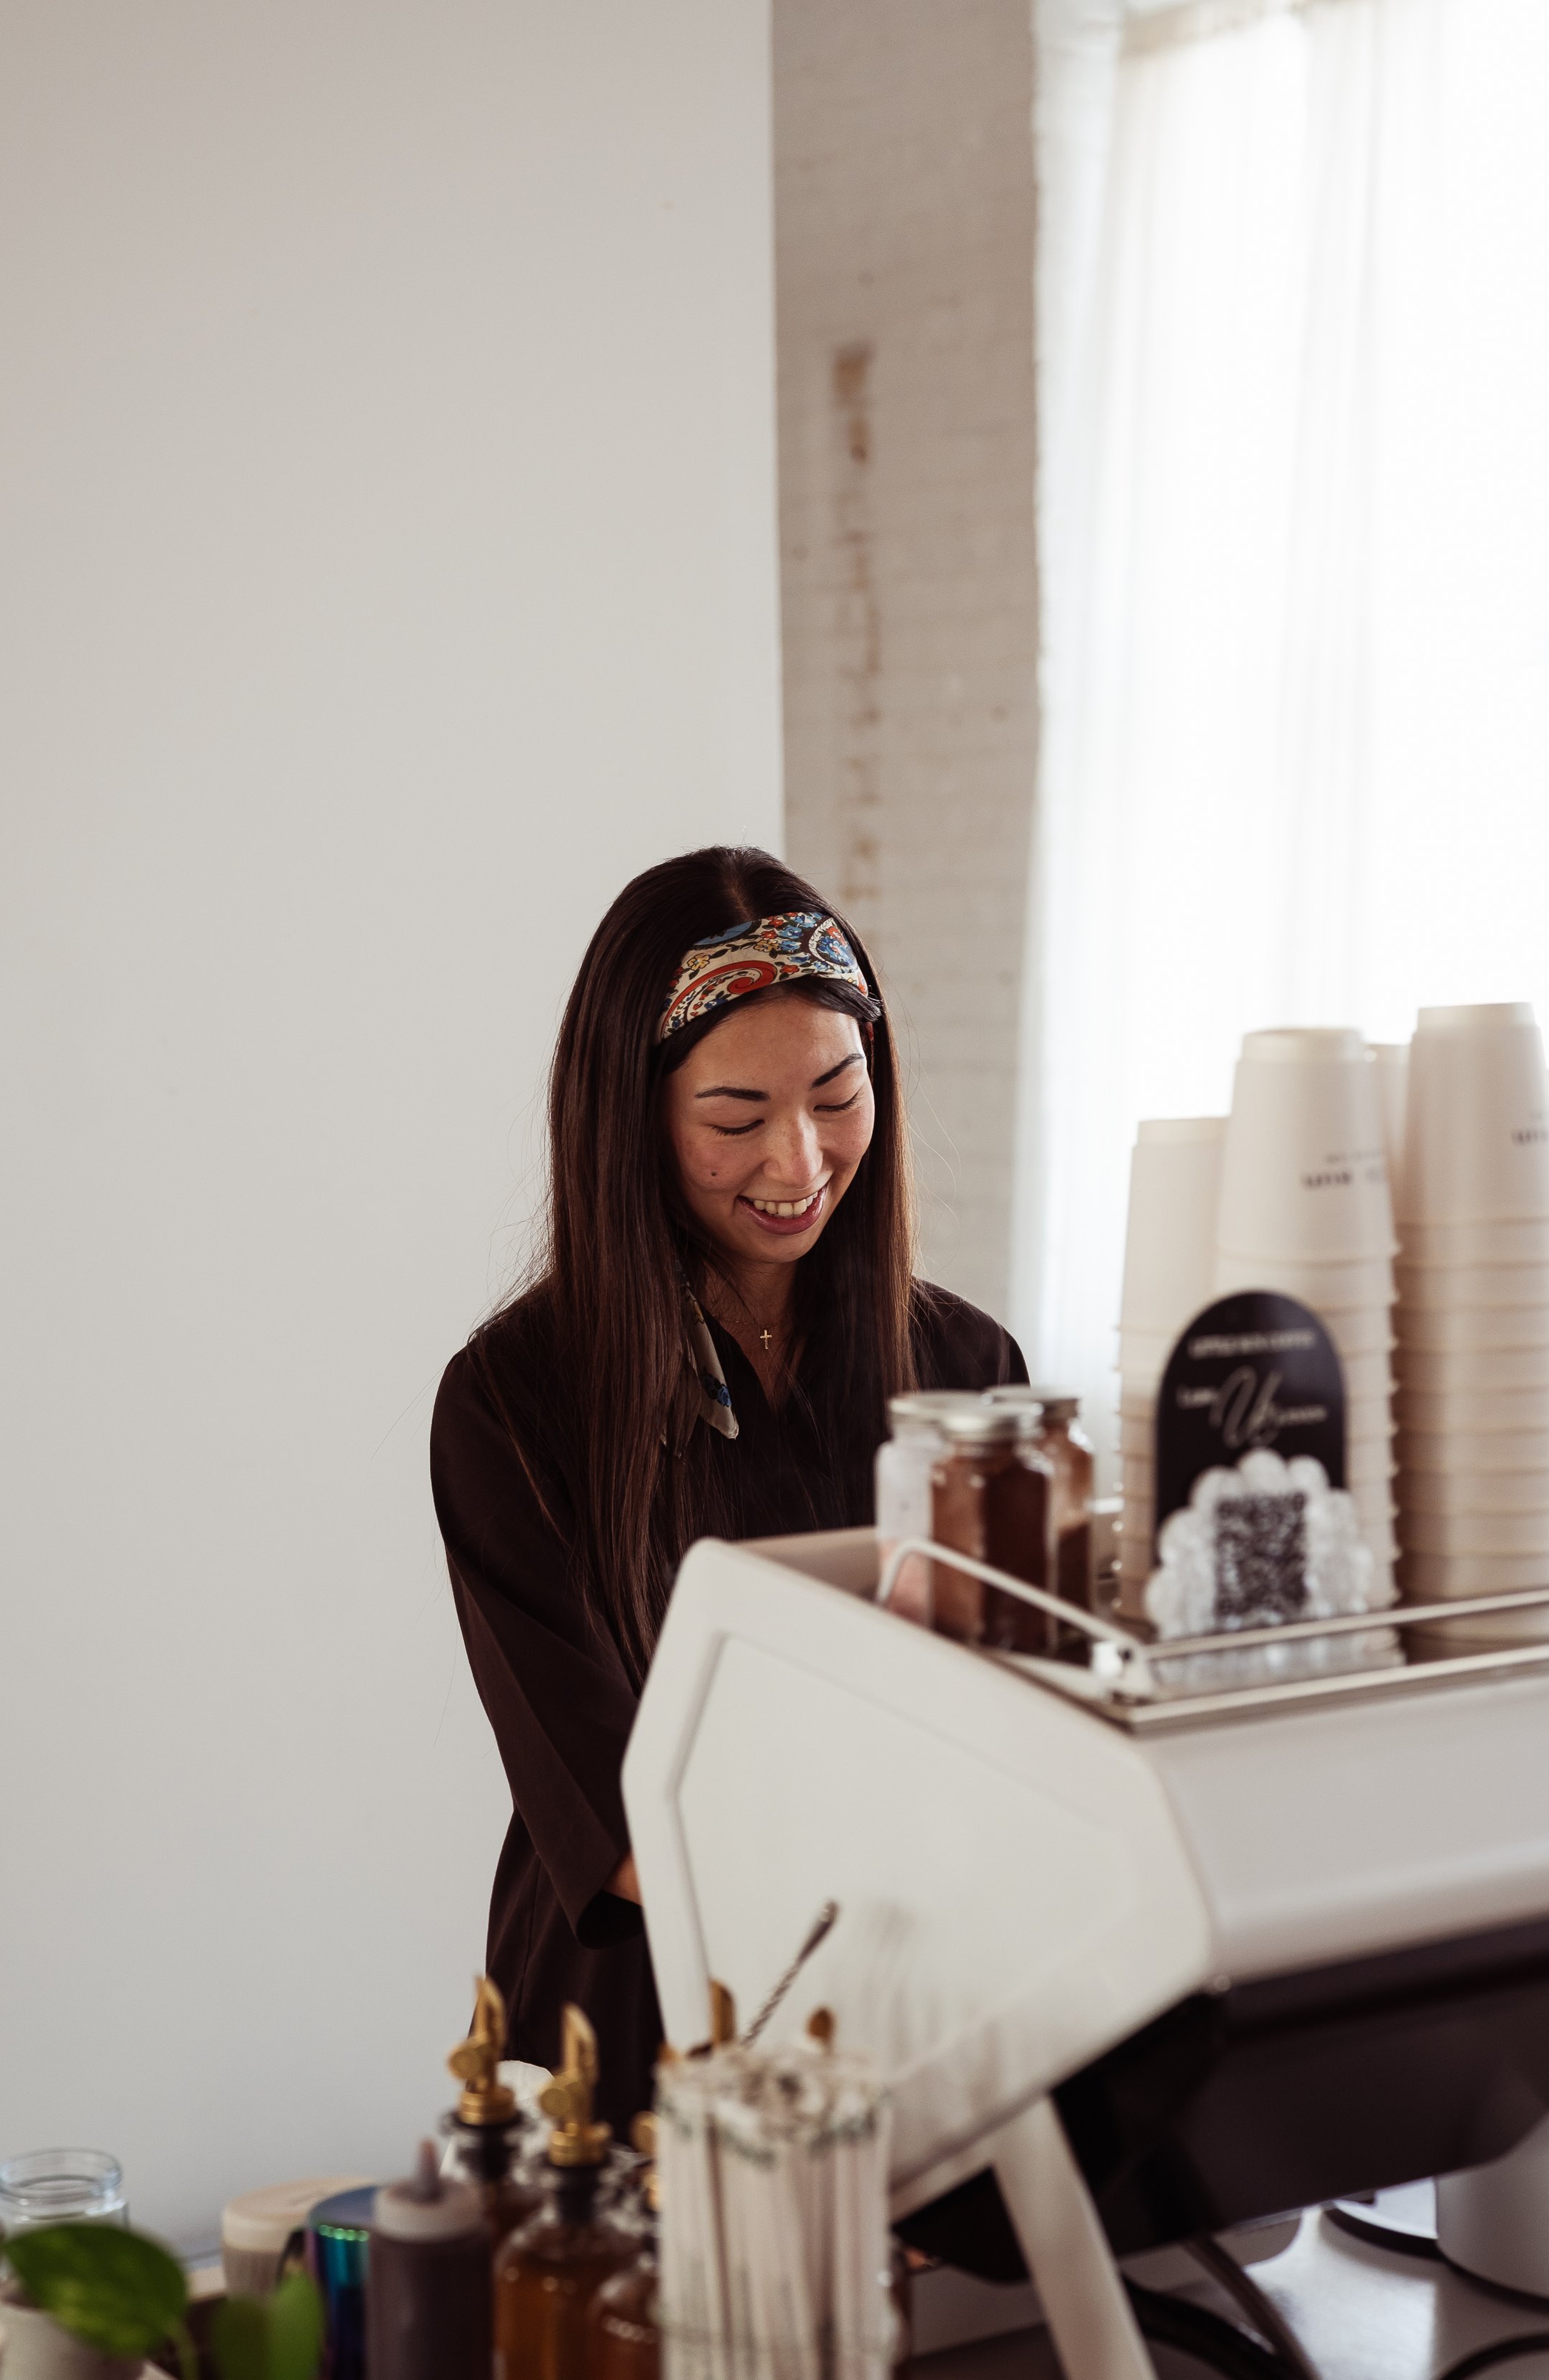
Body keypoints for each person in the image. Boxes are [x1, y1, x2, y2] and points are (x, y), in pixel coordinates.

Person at [430, 847, 1026, 2127]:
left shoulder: (966, 1369)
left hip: (915, 2007)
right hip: (636, 2037)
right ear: (633, 1116)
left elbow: (1020, 1721)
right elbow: (611, 1818)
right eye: (738, 1120)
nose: (800, 1161)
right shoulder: (514, 1402)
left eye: (838, 1094)